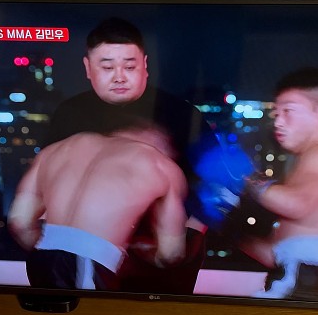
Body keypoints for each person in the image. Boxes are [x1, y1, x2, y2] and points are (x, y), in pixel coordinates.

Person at [46, 17, 222, 294]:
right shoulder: (69, 115)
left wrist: (188, 239)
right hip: (87, 257)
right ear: (88, 68)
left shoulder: (181, 114)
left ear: (145, 65)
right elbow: (48, 184)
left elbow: (217, 185)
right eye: (107, 67)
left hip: (163, 261)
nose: (119, 76)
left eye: (129, 66)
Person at [8, 121, 188, 290]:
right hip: (87, 265)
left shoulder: (58, 148)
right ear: (160, 139)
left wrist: (54, 251)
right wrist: (138, 254)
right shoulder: (161, 164)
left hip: (41, 260)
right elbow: (170, 254)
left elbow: (19, 223)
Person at [238, 67, 318, 304]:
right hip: (312, 280)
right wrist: (229, 227)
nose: (278, 121)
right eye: (276, 113)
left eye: (288, 111)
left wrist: (241, 176)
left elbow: (297, 204)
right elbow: (279, 252)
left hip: (307, 280)